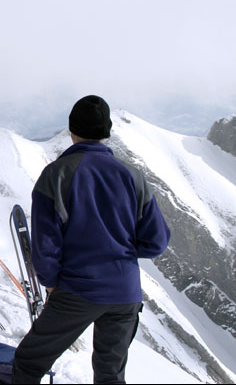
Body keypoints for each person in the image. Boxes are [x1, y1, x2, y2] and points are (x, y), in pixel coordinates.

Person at [12, 95, 171, 384]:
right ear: (106, 132)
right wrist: (120, 249)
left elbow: (46, 246)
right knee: (110, 376)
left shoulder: (57, 175)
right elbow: (157, 242)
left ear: (72, 129)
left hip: (77, 290)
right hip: (125, 294)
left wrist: (51, 282)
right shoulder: (132, 176)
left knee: (28, 362)